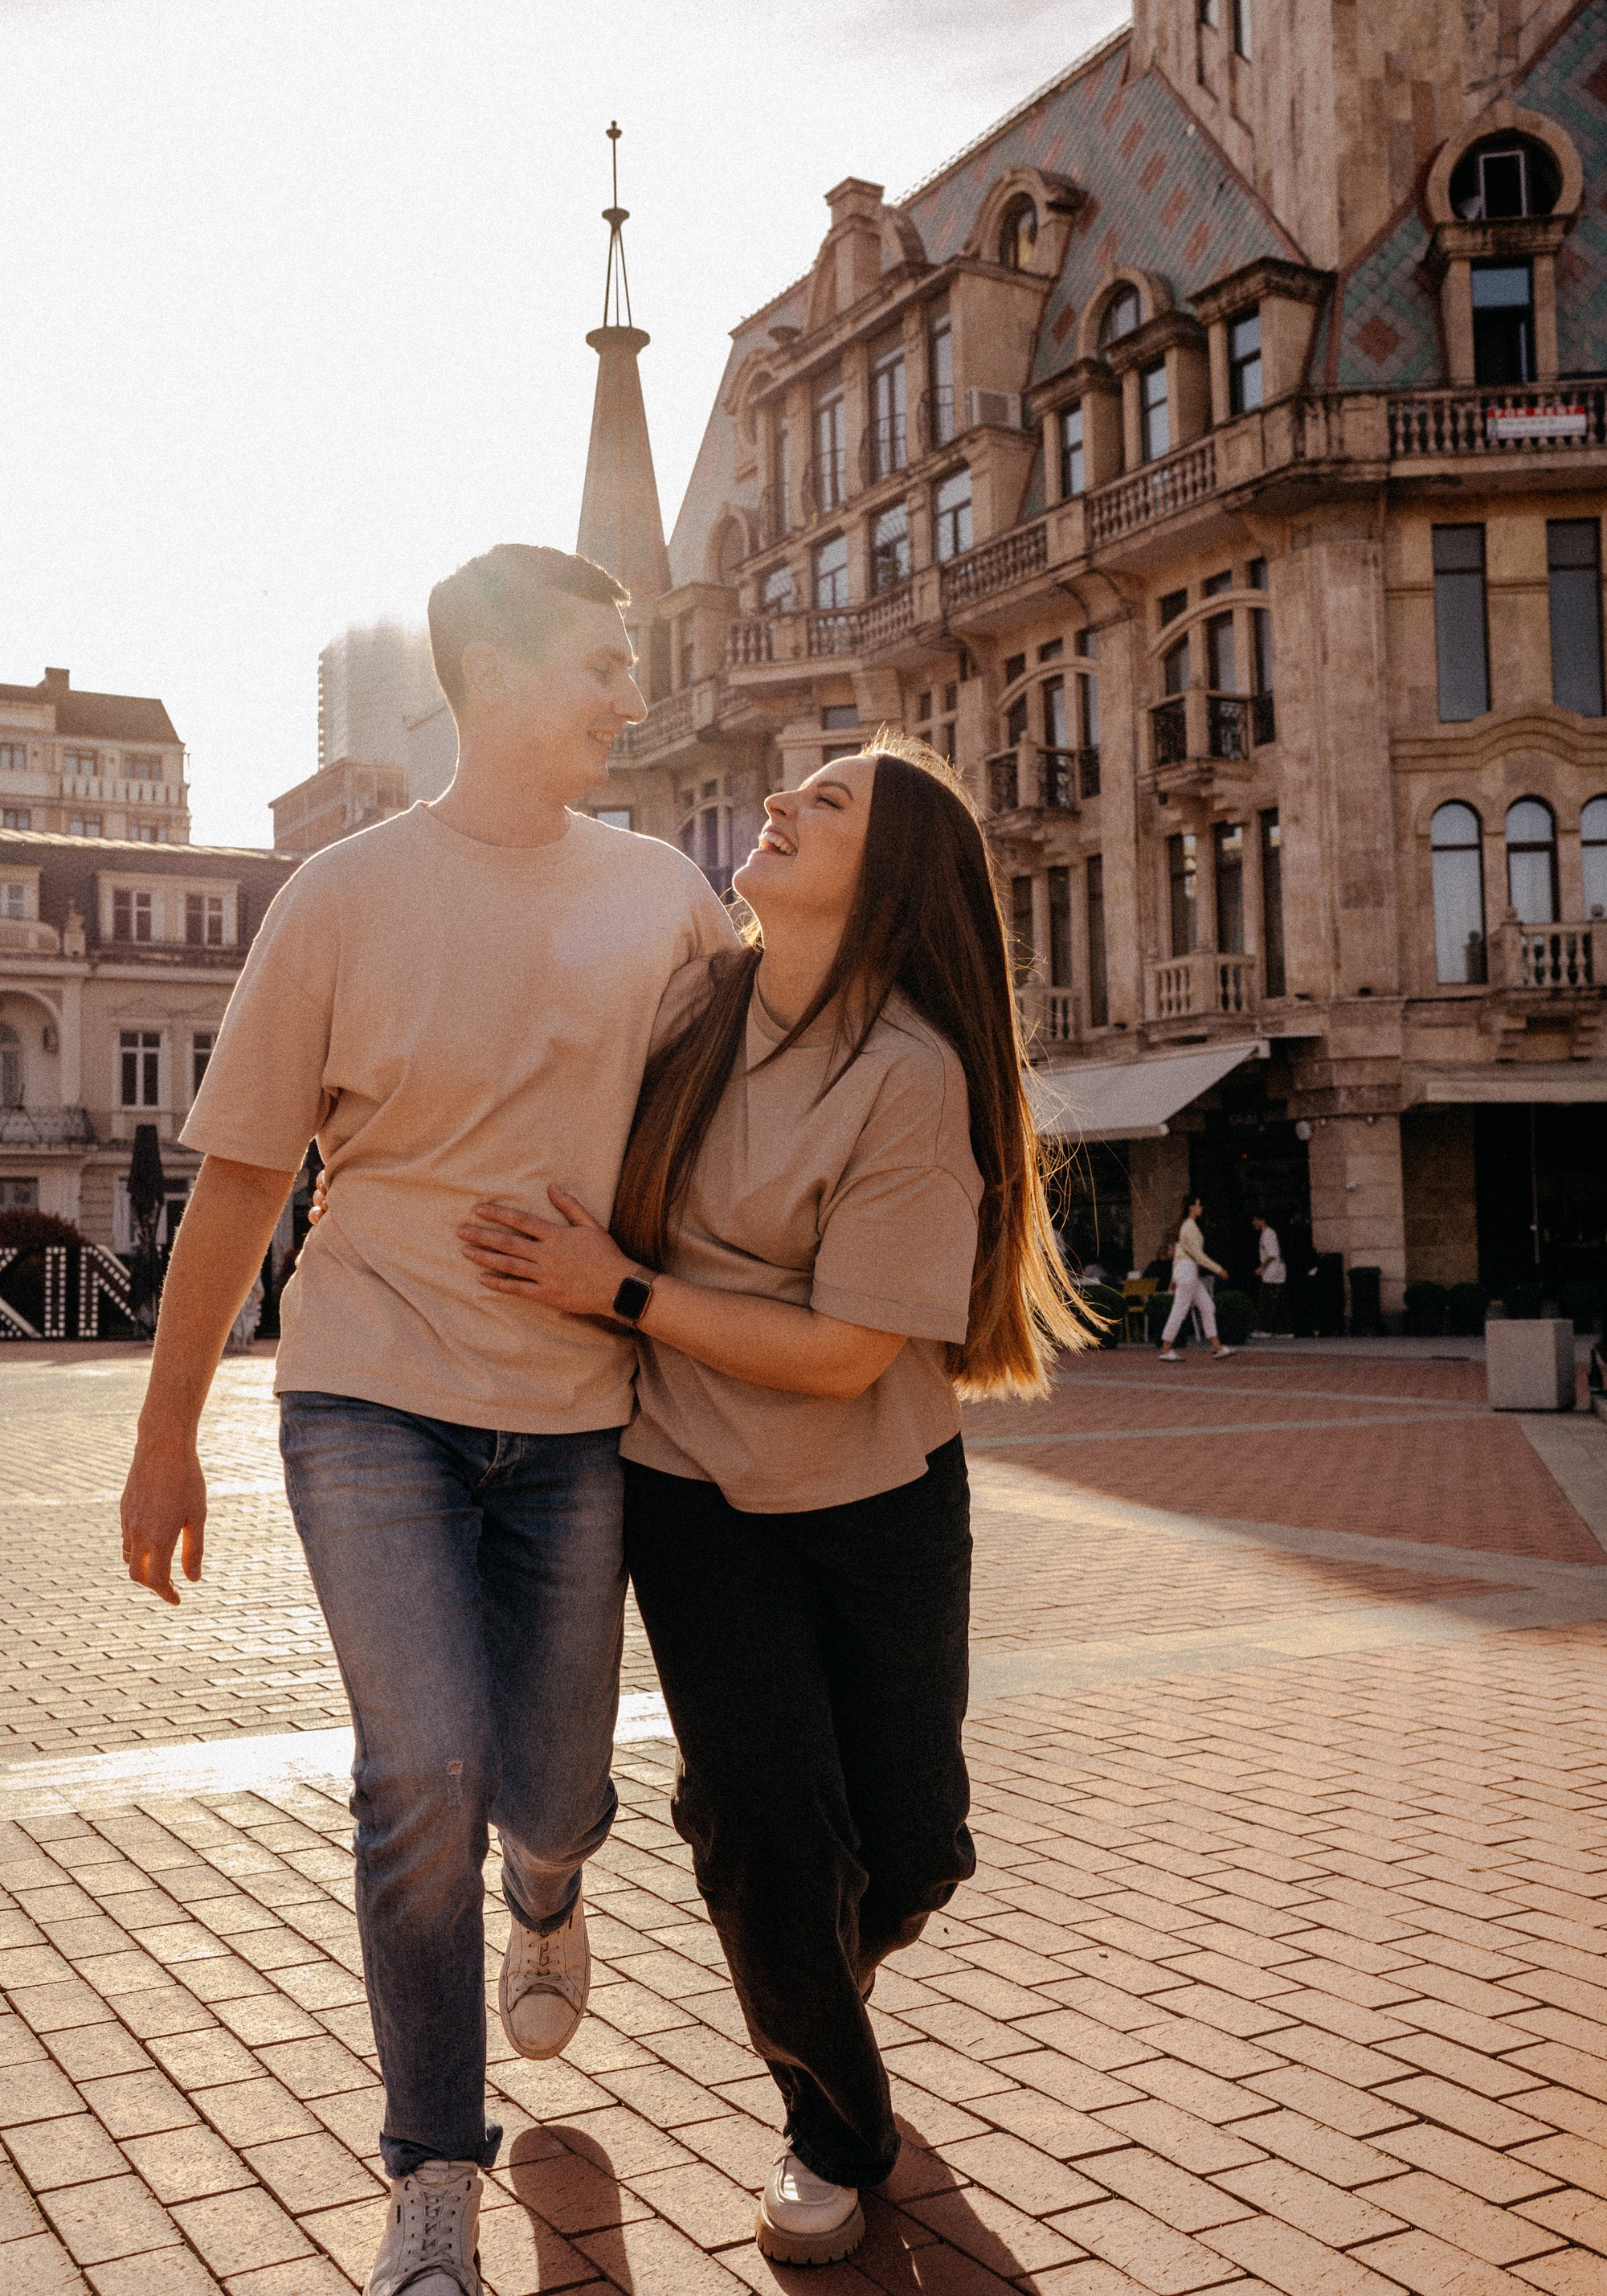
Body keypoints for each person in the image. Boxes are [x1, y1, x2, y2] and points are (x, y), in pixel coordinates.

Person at [118, 546, 734, 2296]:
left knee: (547, 1785)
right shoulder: (341, 897)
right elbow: (240, 1184)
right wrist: (164, 1437)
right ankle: (433, 2177)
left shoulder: (669, 899)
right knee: (421, 1774)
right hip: (369, 1393)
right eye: (602, 667)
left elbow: (754, 1130)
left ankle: (549, 1888)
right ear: (489, 674)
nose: (630, 693)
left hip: (572, 1417)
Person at [458, 735, 1091, 2267]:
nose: (787, 800)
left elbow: (843, 1354)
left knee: (917, 1841)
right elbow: (520, 1070)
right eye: (795, 783)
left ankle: (798, 1954)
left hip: (877, 1487)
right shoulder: (689, 1006)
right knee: (767, 1826)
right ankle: (834, 2120)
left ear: (889, 877)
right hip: (687, 1483)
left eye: (833, 800)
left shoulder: (911, 1074)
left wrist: (619, 1287)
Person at [1159, 1194, 1233, 1361]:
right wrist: (1218, 1269)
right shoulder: (1189, 1227)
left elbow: (1179, 1253)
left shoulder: (1186, 1227)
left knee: (1207, 1306)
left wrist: (1173, 1277)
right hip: (1187, 1272)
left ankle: (1216, 1347)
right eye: (1199, 1205)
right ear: (1191, 1207)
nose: (1201, 1208)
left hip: (1186, 1272)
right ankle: (1165, 1350)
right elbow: (1198, 1256)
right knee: (1180, 1310)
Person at [1252, 1211, 1289, 1336]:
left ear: (1262, 1220)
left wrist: (1261, 1268)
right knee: (1275, 1301)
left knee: (1267, 1301)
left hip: (1272, 1272)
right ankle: (1280, 1330)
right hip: (1274, 1272)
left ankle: (1266, 1330)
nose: (1254, 1224)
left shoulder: (1268, 1234)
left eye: (1255, 1220)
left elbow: (1272, 1255)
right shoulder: (1267, 1234)